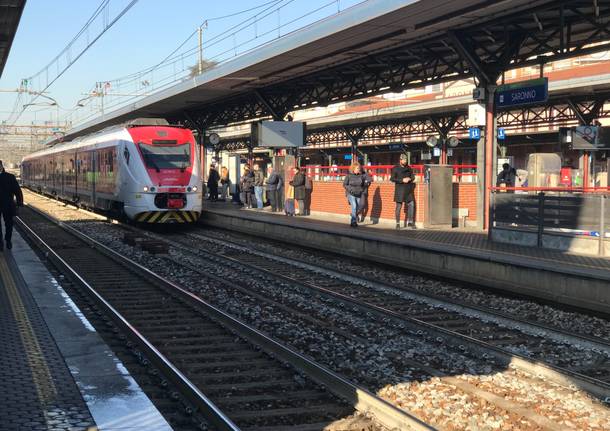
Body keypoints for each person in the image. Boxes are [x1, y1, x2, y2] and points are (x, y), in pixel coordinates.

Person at [0, 161, 23, 250]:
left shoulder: (10, 177)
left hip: (8, 204)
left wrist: (19, 202)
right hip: (7, 204)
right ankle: (1, 243)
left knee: (9, 224)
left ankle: (7, 240)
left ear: (1, 166)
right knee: (8, 224)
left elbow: (17, 191)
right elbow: (17, 191)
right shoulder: (10, 177)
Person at [390, 154, 416, 230]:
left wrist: (410, 179)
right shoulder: (395, 168)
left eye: (406, 160)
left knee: (411, 204)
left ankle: (410, 222)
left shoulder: (409, 168)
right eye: (404, 160)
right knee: (399, 206)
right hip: (400, 189)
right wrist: (402, 180)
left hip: (408, 189)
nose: (405, 161)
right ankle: (397, 223)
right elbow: (392, 179)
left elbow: (413, 177)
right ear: (400, 160)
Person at [343, 163, 366, 227]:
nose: (359, 169)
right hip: (351, 193)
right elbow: (344, 184)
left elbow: (363, 184)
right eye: (357, 168)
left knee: (359, 207)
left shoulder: (361, 176)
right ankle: (353, 221)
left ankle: (354, 216)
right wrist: (350, 189)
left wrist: (364, 186)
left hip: (358, 193)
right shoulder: (349, 175)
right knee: (354, 206)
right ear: (353, 169)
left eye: (359, 168)